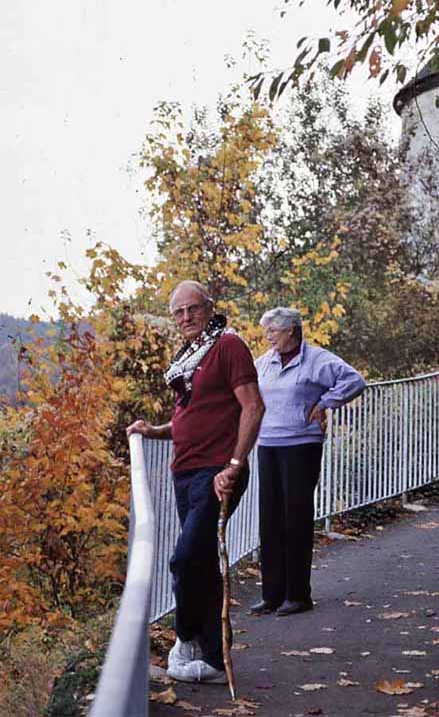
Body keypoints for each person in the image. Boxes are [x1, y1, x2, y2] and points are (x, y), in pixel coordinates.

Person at [127, 280, 264, 683]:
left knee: (185, 558)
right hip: (184, 473)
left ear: (209, 308)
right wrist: (154, 430)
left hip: (216, 473)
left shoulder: (228, 345)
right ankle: (214, 661)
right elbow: (192, 419)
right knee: (200, 562)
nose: (186, 318)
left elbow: (253, 408)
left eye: (193, 309)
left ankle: (184, 638)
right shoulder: (190, 358)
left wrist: (234, 465)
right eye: (179, 312)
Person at [251, 307, 366, 617]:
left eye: (273, 330)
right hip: (268, 445)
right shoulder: (264, 362)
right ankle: (272, 595)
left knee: (296, 519)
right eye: (267, 331)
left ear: (291, 330)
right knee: (270, 520)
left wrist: (325, 403)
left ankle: (298, 595)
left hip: (302, 445)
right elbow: (246, 394)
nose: (268, 335)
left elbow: (355, 381)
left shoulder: (317, 359)